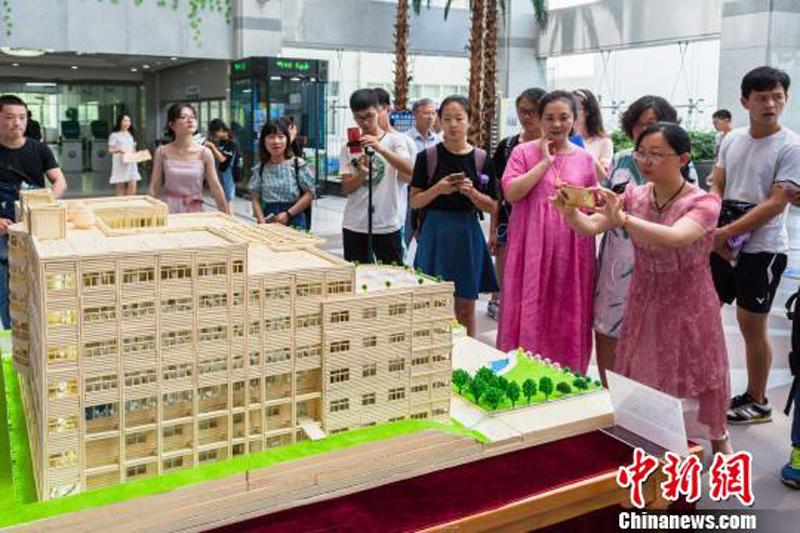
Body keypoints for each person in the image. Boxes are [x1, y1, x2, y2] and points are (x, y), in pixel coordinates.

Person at [553, 122, 731, 454]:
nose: (645, 161)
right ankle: (654, 438)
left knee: (698, 368)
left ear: (682, 158)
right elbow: (591, 226)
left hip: (689, 299)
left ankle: (718, 438)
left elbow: (676, 237)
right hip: (645, 295)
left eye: (655, 154)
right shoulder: (635, 195)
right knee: (645, 369)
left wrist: (624, 220)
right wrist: (570, 213)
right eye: (641, 153)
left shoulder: (704, 202)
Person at [709, 66, 800, 425]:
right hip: (722, 243)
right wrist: (714, 215)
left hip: (763, 248)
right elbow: (718, 181)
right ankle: (707, 384)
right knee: (704, 310)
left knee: (751, 322)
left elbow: (777, 203)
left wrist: (724, 232)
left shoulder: (791, 145)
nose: (771, 104)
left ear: (786, 99)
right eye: (762, 97)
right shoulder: (732, 139)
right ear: (745, 101)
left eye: (777, 96)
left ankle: (758, 399)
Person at [496, 90, 598, 372]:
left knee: (566, 306)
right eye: (550, 118)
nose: (556, 124)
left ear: (574, 120)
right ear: (539, 121)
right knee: (531, 303)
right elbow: (511, 193)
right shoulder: (522, 152)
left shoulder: (584, 159)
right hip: (531, 246)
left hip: (572, 247)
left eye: (564, 117)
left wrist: (585, 198)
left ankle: (566, 371)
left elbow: (590, 203)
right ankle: (522, 369)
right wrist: (544, 162)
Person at [594, 95, 689, 385]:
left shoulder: (679, 162)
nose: (646, 130)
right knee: (607, 327)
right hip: (616, 258)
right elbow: (604, 205)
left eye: (654, 123)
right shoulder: (623, 158)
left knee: (651, 334)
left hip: (658, 263)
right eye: (640, 124)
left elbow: (687, 213)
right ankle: (609, 395)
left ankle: (643, 405)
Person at [410, 95, 498, 337]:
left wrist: (473, 194)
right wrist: (439, 188)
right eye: (447, 118)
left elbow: (494, 206)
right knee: (432, 304)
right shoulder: (427, 157)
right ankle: (431, 355)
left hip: (467, 233)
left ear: (470, 121)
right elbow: (415, 201)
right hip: (435, 233)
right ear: (439, 121)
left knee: (466, 305)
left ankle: (466, 358)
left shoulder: (481, 158)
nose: (453, 124)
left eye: (459, 118)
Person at [0, 94, 67, 329]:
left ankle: (41, 330)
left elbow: (59, 182)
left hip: (35, 226)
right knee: (9, 289)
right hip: (3, 229)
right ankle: (13, 335)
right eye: (9, 117)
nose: (16, 123)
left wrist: (45, 205)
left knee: (39, 280)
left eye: (21, 117)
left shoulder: (39, 150)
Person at [487, 87, 546, 321]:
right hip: (508, 221)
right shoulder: (507, 146)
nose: (526, 117)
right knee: (505, 274)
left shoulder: (555, 148)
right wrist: (493, 229)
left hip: (542, 224)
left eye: (532, 111)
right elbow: (497, 192)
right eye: (522, 111)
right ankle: (500, 305)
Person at [339, 89, 413, 264]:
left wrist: (381, 149)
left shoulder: (395, 141)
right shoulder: (349, 146)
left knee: (393, 276)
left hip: (387, 223)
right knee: (358, 278)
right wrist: (362, 172)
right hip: (355, 223)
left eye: (369, 116)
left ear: (380, 111)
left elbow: (410, 170)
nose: (364, 122)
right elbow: (347, 187)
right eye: (359, 118)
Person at [148, 103, 229, 215]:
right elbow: (154, 186)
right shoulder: (162, 152)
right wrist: (146, 214)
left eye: (192, 117)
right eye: (183, 117)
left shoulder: (204, 153)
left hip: (194, 211)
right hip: (169, 210)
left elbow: (215, 186)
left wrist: (226, 213)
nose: (190, 120)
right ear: (172, 125)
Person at [374, 87, 419, 251]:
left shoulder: (404, 142)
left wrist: (389, 158)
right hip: (364, 222)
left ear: (388, 109)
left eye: (375, 111)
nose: (370, 118)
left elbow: (411, 177)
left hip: (393, 219)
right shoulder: (362, 142)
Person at [249, 119, 315, 230]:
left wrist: (288, 214)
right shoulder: (260, 169)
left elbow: (310, 194)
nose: (276, 141)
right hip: (268, 220)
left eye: (281, 137)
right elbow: (255, 198)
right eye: (271, 137)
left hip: (295, 219)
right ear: (264, 141)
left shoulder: (297, 165)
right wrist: (262, 222)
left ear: (287, 140)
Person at [573, 88, 613, 171]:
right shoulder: (563, 139)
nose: (570, 111)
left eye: (575, 107)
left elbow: (605, 175)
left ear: (587, 111)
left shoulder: (604, 141)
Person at [204, 118, 239, 203]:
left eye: (214, 133)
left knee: (228, 202)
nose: (214, 136)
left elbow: (222, 159)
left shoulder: (231, 143)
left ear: (220, 130)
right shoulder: (221, 142)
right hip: (221, 174)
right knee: (221, 201)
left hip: (229, 175)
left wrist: (212, 147)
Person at [107, 113, 142, 196]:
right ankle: (120, 204)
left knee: (133, 182)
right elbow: (110, 150)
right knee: (120, 185)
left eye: (129, 121)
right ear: (120, 122)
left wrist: (137, 155)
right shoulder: (115, 135)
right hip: (120, 162)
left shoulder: (130, 135)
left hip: (131, 161)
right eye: (125, 120)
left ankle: (130, 203)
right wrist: (119, 150)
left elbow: (133, 148)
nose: (127, 123)